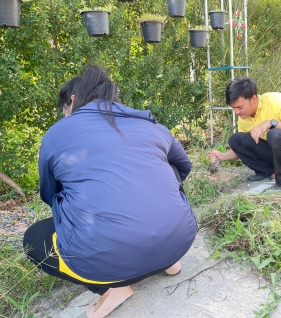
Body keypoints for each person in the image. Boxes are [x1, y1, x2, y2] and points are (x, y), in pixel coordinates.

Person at [23, 66, 197, 318]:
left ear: (72, 101)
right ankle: (168, 259)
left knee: (33, 238)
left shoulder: (57, 134)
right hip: (180, 240)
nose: (65, 117)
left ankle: (112, 287)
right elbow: (183, 166)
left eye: (64, 112)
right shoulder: (150, 124)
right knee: (163, 167)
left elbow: (49, 193)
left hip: (107, 258)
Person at [208, 77, 281, 192]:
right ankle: (269, 173)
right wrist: (223, 156)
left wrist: (270, 123)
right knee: (236, 139)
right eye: (233, 108)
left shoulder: (275, 100)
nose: (237, 112)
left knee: (274, 133)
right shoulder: (243, 117)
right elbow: (242, 149)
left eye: (240, 107)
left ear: (253, 98)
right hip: (276, 154)